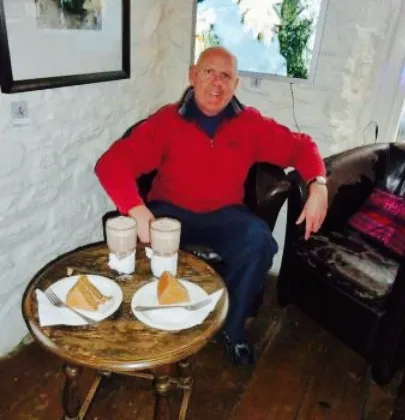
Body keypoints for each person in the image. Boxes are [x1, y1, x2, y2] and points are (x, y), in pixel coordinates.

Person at [95, 46, 328, 366]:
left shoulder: (250, 123)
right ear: (193, 75)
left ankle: (232, 328)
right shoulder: (167, 121)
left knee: (258, 240)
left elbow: (302, 146)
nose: (217, 82)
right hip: (168, 212)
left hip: (224, 215)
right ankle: (143, 321)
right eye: (208, 72)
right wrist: (136, 208)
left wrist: (318, 184)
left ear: (235, 84)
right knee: (129, 240)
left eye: (226, 76)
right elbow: (111, 163)